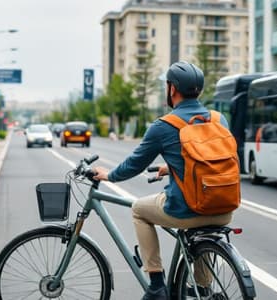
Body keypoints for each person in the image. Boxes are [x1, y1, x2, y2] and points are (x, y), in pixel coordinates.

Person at [92, 61, 233, 300]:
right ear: (198, 90)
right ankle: (203, 288)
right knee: (203, 226)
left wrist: (108, 175)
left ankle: (157, 285)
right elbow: (214, 158)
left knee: (138, 210)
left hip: (187, 209)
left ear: (172, 89)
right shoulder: (219, 120)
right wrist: (173, 166)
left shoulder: (164, 125)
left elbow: (134, 165)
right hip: (224, 209)